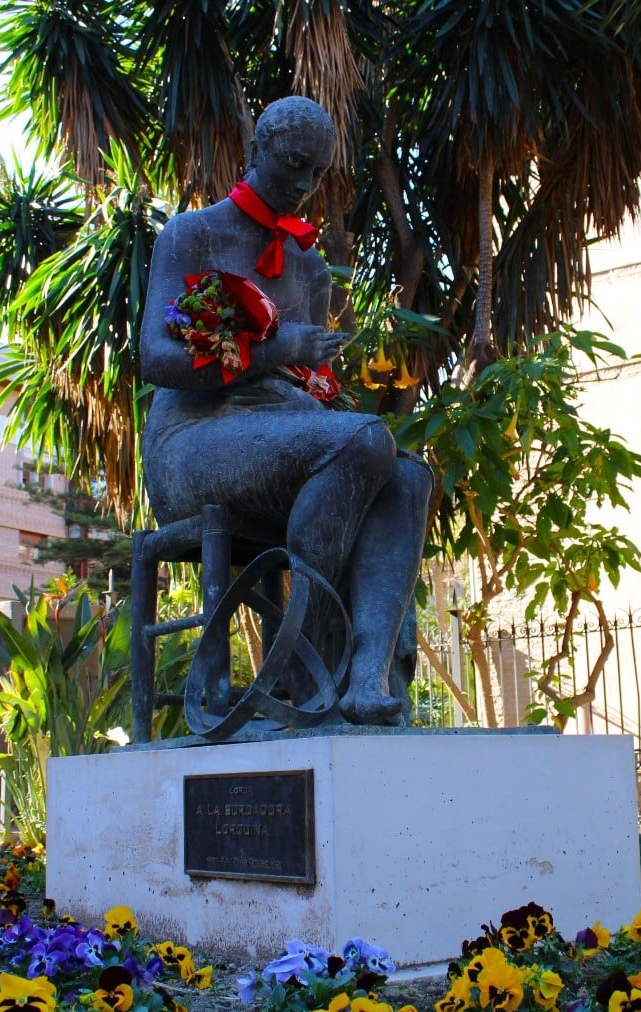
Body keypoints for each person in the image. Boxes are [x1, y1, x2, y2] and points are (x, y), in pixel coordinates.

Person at [138, 96, 431, 727]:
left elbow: (309, 381)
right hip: (193, 440)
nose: (304, 185)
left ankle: (365, 677)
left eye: (318, 173)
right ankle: (306, 674)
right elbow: (156, 360)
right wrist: (273, 352)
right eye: (294, 164)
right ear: (256, 152)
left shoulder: (309, 266)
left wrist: (312, 380)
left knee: (406, 475)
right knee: (359, 444)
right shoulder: (193, 235)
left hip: (280, 433)